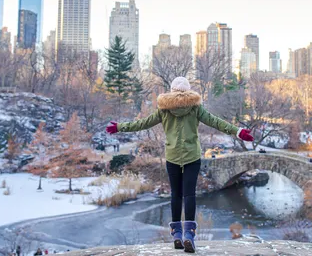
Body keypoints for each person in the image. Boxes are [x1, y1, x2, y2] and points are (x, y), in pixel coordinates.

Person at [106, 77, 253, 253]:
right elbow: (216, 122)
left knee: (176, 194)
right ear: (188, 90)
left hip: (172, 156)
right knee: (189, 194)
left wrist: (120, 127)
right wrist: (238, 131)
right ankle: (189, 234)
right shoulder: (195, 108)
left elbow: (142, 123)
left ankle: (176, 233)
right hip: (192, 156)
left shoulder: (164, 109)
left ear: (172, 90)